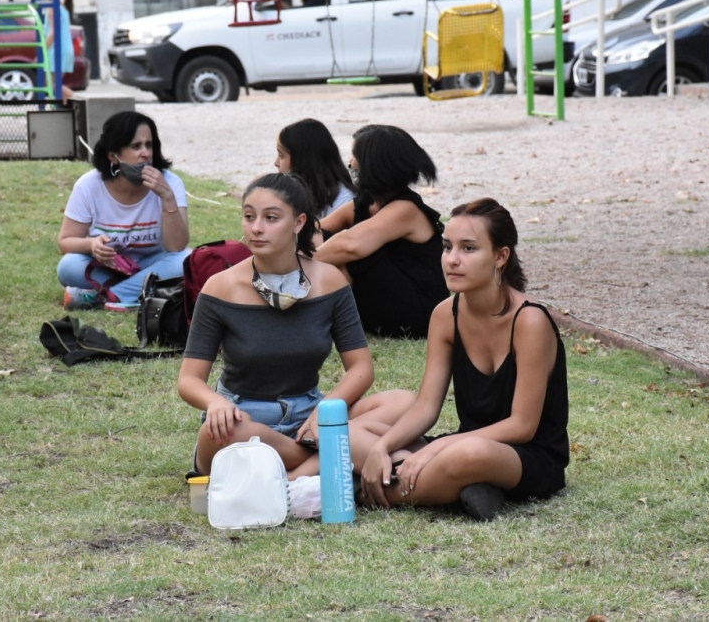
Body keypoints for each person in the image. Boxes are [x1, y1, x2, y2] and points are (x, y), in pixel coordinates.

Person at [179, 172, 407, 477]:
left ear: (298, 223)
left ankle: (293, 473)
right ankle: (327, 460)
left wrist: (323, 413)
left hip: (309, 413)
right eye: (249, 216)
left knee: (403, 403)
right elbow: (189, 380)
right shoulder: (220, 288)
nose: (256, 228)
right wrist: (216, 403)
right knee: (221, 432)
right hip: (243, 417)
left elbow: (361, 369)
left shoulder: (330, 281)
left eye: (271, 218)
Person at [357, 198, 569, 521]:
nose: (451, 260)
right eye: (447, 247)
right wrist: (381, 447)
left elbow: (522, 426)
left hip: (523, 455)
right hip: (463, 444)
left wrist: (433, 449)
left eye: (468, 249)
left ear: (501, 256)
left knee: (468, 455)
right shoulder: (445, 315)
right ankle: (466, 487)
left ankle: (365, 493)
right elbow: (427, 407)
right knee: (357, 432)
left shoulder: (530, 321)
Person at [315, 124, 447, 339]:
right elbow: (316, 231)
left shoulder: (406, 209)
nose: (350, 163)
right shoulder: (365, 204)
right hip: (382, 303)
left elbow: (350, 246)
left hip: (416, 312)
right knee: (322, 238)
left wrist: (289, 266)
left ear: (374, 165)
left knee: (351, 252)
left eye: (355, 156)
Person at [57, 111, 190, 310]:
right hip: (108, 267)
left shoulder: (170, 183)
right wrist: (92, 244)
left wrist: (167, 198)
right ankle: (136, 292)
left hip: (152, 265)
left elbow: (177, 247)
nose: (145, 153)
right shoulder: (89, 185)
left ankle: (109, 296)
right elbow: (65, 241)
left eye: (149, 145)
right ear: (113, 156)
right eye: (136, 146)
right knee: (68, 267)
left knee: (186, 262)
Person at [275, 118, 355, 219]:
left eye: (281, 155)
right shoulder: (296, 193)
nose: (276, 163)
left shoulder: (342, 199)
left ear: (303, 160)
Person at [43, 0, 75, 102]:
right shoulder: (61, 6)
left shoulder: (53, 8)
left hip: (57, 50)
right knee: (53, 84)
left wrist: (42, 51)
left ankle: (81, 101)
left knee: (52, 84)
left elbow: (53, 32)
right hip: (63, 49)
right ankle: (68, 106)